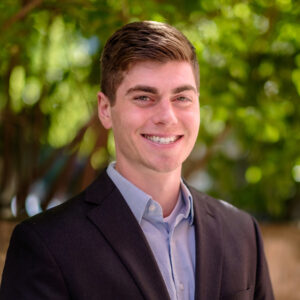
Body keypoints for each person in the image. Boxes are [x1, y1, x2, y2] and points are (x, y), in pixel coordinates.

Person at [0, 21, 274, 300]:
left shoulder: (242, 233)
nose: (167, 116)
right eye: (144, 97)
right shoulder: (46, 244)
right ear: (105, 109)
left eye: (182, 97)